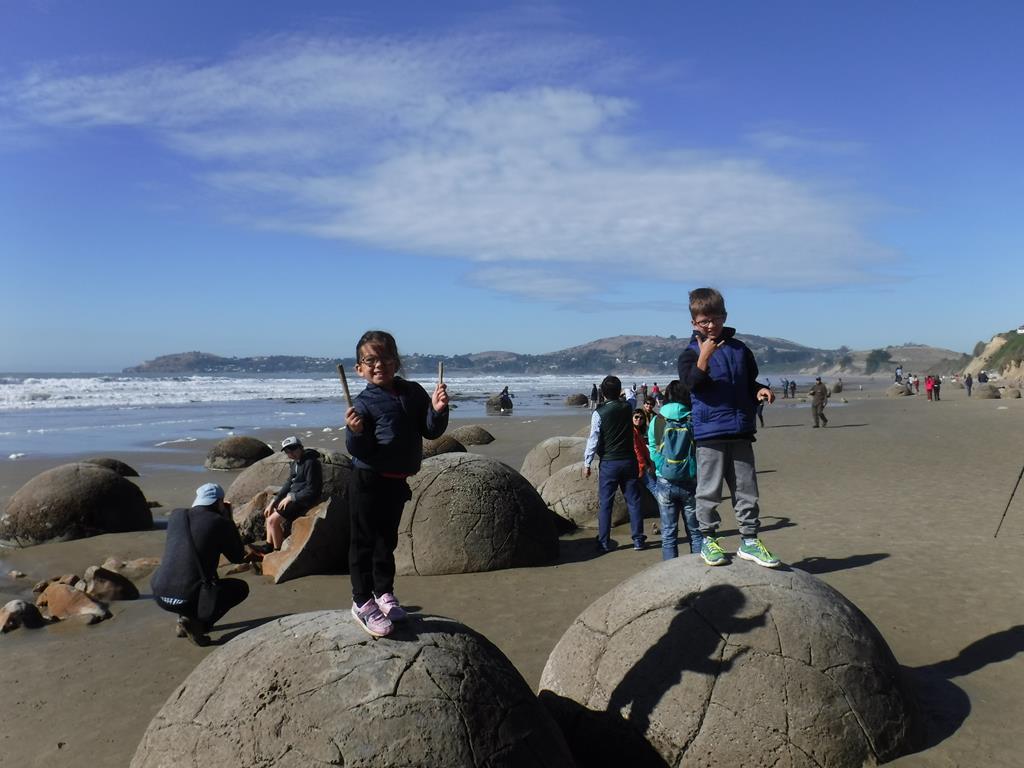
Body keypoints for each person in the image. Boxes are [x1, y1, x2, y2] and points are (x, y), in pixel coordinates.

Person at [345, 330, 449, 637]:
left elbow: (429, 431)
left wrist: (438, 411)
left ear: (397, 362)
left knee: (386, 542)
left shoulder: (412, 392)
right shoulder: (363, 404)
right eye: (370, 360)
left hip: (396, 482)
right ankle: (362, 601)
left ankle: (383, 593)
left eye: (386, 358)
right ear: (359, 369)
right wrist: (355, 432)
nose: (379, 365)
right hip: (367, 480)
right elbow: (360, 451)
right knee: (363, 542)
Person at [677, 287, 780, 569]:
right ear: (693, 323)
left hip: (741, 429)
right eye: (704, 321)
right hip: (709, 433)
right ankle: (708, 539)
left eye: (716, 318)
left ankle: (749, 539)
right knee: (708, 490)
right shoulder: (689, 353)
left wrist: (759, 391)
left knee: (747, 488)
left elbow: (749, 383)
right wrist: (704, 356)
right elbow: (691, 386)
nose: (711, 325)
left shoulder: (740, 350)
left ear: (725, 316)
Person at [150, 483, 250, 646]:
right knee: (240, 589)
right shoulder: (220, 522)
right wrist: (229, 521)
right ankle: (197, 624)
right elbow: (238, 557)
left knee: (185, 570)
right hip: (187, 596)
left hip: (160, 593)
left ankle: (183, 621)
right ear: (219, 503)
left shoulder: (176, 515)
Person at [583, 375, 646, 553]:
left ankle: (603, 542)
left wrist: (587, 462)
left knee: (606, 503)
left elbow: (593, 439)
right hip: (628, 460)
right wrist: (626, 390)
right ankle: (638, 540)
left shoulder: (599, 413)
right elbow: (632, 396)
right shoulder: (628, 407)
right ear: (618, 392)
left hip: (609, 462)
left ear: (602, 392)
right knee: (633, 501)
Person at [647, 380, 703, 560]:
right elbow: (700, 448)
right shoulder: (693, 418)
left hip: (664, 480)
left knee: (669, 534)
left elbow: (653, 449)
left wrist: (662, 467)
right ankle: (698, 570)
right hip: (690, 480)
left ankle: (671, 574)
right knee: (695, 532)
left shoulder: (658, 420)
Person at [263, 436, 323, 550]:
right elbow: (288, 484)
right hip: (293, 496)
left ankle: (277, 551)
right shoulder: (295, 463)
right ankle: (268, 547)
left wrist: (292, 497)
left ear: (301, 447)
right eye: (287, 451)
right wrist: (273, 502)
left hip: (303, 499)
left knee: (273, 521)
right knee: (269, 514)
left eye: (293, 449)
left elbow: (313, 490)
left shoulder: (311, 463)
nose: (291, 453)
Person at [632, 407, 656, 494]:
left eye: (641, 418)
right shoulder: (632, 431)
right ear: (632, 418)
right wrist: (644, 465)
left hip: (643, 462)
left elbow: (644, 449)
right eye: (636, 417)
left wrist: (651, 461)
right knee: (653, 487)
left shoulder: (638, 431)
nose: (639, 419)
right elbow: (636, 449)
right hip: (638, 465)